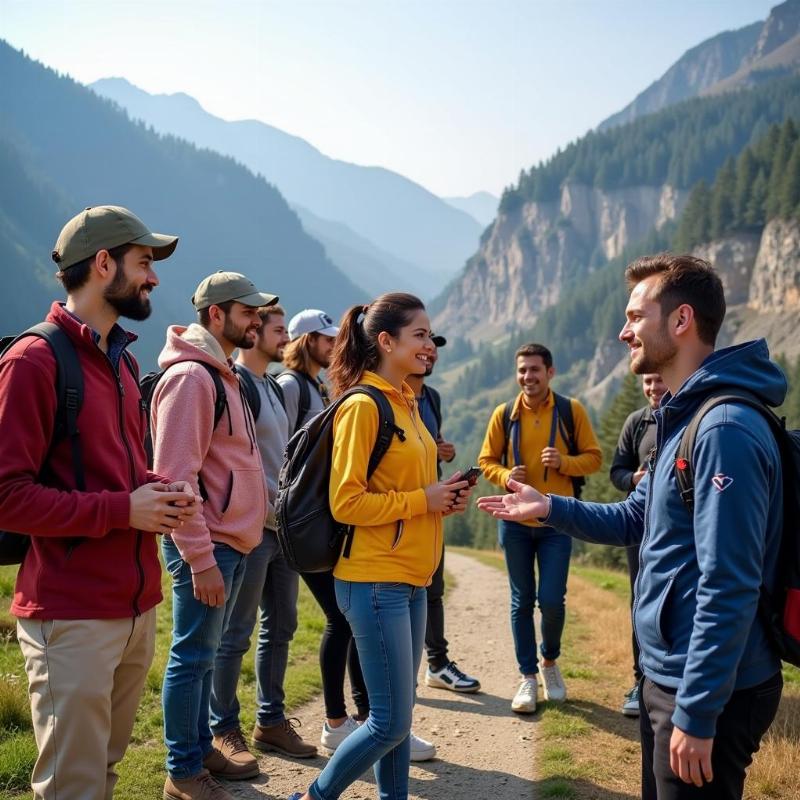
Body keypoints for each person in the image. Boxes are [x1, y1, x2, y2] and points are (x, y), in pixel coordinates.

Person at [478, 254, 785, 800]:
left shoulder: (723, 430)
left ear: (681, 320)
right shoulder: (684, 416)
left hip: (707, 686)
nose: (623, 332)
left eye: (635, 317)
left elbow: (729, 584)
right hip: (667, 674)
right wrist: (548, 506)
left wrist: (695, 711)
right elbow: (634, 517)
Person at [0, 205, 200, 800]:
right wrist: (125, 510)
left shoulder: (123, 360)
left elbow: (114, 472)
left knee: (104, 777)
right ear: (104, 263)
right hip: (72, 617)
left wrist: (157, 489)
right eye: (144, 264)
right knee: (73, 788)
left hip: (134, 607)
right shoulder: (33, 362)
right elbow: (8, 498)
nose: (154, 279)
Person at [288, 292, 472, 800]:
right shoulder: (364, 406)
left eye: (430, 336)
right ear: (385, 341)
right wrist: (423, 498)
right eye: (419, 336)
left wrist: (439, 500)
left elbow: (404, 492)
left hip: (409, 578)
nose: (429, 345)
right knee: (388, 721)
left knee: (398, 715)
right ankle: (313, 797)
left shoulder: (406, 403)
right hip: (373, 580)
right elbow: (346, 503)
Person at [150, 271, 272, 800]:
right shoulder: (192, 378)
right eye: (248, 313)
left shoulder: (222, 374)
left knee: (206, 651)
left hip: (229, 539)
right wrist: (199, 557)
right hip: (208, 542)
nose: (258, 322)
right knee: (192, 656)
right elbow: (175, 476)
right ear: (216, 315)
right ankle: (182, 771)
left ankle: (200, 750)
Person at [209, 303, 318, 767]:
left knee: (283, 625)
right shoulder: (236, 383)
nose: (281, 338)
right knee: (236, 632)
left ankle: (270, 721)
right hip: (250, 528)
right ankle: (223, 730)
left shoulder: (273, 385)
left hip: (281, 527)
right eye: (276, 330)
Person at [478, 343, 601, 713]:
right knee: (520, 601)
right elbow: (486, 460)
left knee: (551, 600)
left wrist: (564, 462)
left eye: (534, 369)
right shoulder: (504, 414)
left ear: (550, 372)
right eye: (522, 371)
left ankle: (549, 662)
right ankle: (527, 677)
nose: (528, 377)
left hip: (556, 521)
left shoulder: (570, 410)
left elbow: (594, 459)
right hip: (515, 523)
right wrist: (503, 474)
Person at [405, 334, 481, 694]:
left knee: (431, 588)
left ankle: (435, 664)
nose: (431, 349)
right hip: (400, 509)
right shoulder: (385, 396)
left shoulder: (431, 398)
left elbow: (430, 447)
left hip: (429, 506)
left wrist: (444, 453)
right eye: (424, 341)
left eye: (434, 344)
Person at [610, 372, 667, 717]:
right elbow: (616, 472)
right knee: (640, 599)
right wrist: (634, 479)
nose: (653, 388)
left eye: (658, 380)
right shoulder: (636, 422)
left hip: (676, 530)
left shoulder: (688, 414)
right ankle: (640, 681)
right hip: (640, 528)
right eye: (647, 382)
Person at [278, 308, 338, 433]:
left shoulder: (318, 384)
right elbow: (282, 443)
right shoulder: (290, 386)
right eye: (329, 340)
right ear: (310, 339)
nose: (334, 346)